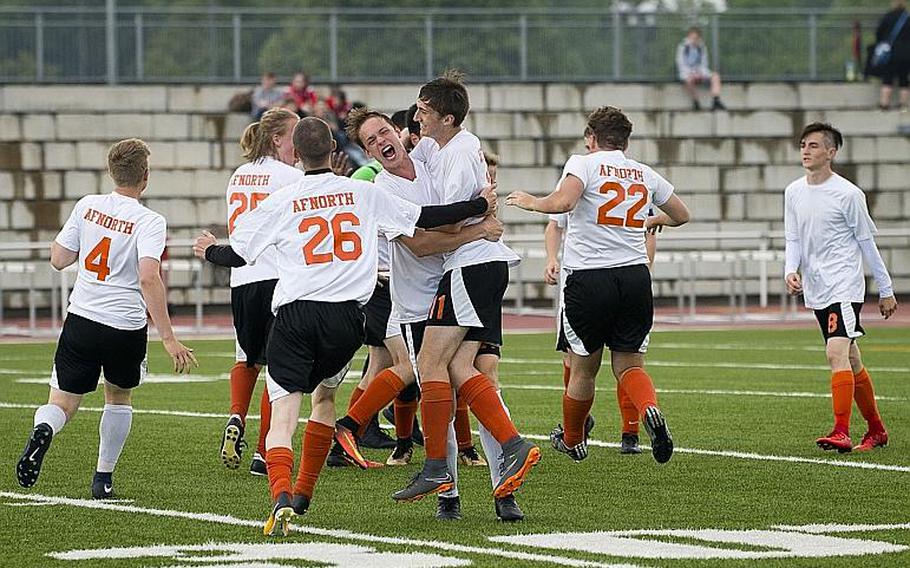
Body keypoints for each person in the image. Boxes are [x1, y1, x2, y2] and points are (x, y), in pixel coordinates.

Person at [213, 117, 500, 535]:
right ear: (335, 150)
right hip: (347, 318)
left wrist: (208, 251)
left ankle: (281, 496)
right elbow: (427, 214)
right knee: (325, 401)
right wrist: (479, 206)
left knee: (283, 416)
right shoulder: (364, 192)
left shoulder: (283, 198)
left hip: (294, 315)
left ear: (296, 151)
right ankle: (305, 494)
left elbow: (238, 255)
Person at [334, 107, 523, 521]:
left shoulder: (428, 157)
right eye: (370, 141)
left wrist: (482, 208)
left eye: (383, 131)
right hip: (419, 302)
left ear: (398, 132)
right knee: (444, 388)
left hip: (463, 280)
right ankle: (449, 493)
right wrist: (478, 225)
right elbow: (420, 244)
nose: (380, 142)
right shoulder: (381, 190)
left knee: (479, 379)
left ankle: (503, 487)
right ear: (367, 152)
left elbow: (468, 198)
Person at [392, 71, 541, 512]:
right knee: (459, 367)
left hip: (469, 266)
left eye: (424, 110)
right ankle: (452, 477)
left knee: (432, 364)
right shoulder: (437, 149)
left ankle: (462, 462)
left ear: (448, 118)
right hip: (475, 267)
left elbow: (449, 225)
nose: (415, 117)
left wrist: (465, 219)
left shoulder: (456, 152)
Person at [15, 138, 197, 500]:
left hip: (82, 317)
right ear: (145, 177)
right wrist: (169, 338)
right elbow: (148, 276)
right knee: (118, 397)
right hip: (124, 325)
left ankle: (44, 430)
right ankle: (103, 478)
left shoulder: (88, 206)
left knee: (62, 402)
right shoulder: (150, 220)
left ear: (110, 172)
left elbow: (58, 258)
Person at [507, 106, 690, 465]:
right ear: (625, 140)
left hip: (590, 278)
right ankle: (649, 408)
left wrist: (532, 202)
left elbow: (565, 201)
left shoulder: (584, 163)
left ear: (591, 137)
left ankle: (573, 439)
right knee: (630, 365)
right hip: (635, 276)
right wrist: (650, 218)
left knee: (583, 368)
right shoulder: (643, 173)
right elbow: (682, 215)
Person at [784, 122, 896, 453]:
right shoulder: (793, 191)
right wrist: (791, 269)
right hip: (817, 287)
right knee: (851, 359)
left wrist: (885, 289)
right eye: (804, 144)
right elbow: (793, 236)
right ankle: (876, 430)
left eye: (814, 145)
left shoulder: (848, 194)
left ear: (831, 152)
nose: (806, 150)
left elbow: (866, 243)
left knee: (835, 353)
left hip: (843, 285)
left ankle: (841, 431)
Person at [205, 108, 302, 476]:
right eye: (293, 135)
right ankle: (264, 452)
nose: (297, 144)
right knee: (279, 367)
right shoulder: (291, 176)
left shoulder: (238, 176)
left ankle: (235, 415)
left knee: (247, 357)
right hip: (278, 276)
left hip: (242, 278)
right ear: (277, 138)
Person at [676, 27, 726, 111]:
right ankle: (696, 102)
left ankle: (716, 101)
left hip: (700, 72)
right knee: (688, 80)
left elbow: (704, 63)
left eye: (696, 38)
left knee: (715, 76)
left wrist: (700, 73)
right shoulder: (682, 47)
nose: (694, 40)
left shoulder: (701, 47)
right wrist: (691, 74)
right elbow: (681, 64)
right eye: (692, 38)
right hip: (687, 73)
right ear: (688, 37)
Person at [874, 1, 910, 110]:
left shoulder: (888, 17)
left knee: (887, 78)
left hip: (890, 52)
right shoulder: (908, 17)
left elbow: (878, 33)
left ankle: (884, 104)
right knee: (904, 79)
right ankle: (903, 105)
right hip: (907, 53)